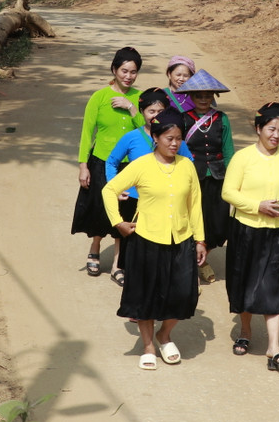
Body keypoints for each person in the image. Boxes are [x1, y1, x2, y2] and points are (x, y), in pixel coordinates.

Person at [102, 110, 207, 370]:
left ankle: (165, 335)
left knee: (185, 294)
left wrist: (200, 240)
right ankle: (149, 345)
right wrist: (119, 222)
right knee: (146, 295)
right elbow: (109, 189)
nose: (174, 144)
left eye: (179, 138)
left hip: (181, 239)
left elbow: (195, 205)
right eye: (169, 138)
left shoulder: (187, 166)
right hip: (146, 240)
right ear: (156, 137)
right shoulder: (141, 164)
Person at [221, 102, 279, 372]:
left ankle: (274, 348)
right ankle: (245, 331)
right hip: (246, 229)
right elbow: (228, 192)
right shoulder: (243, 158)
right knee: (245, 282)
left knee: (274, 284)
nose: (276, 135)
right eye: (271, 128)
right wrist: (257, 206)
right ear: (258, 128)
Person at [103, 89, 194, 285]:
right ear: (142, 112)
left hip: (162, 199)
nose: (156, 116)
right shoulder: (132, 137)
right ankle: (117, 267)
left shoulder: (174, 139)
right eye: (151, 111)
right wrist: (116, 186)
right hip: (134, 198)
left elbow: (189, 162)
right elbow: (111, 161)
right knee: (127, 237)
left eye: (160, 112)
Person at [72, 47, 143, 277]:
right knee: (100, 208)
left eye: (133, 72)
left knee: (124, 211)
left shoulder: (139, 98)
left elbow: (148, 128)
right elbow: (86, 133)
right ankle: (94, 248)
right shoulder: (99, 97)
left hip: (130, 166)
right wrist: (83, 166)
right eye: (124, 70)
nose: (128, 76)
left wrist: (131, 107)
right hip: (102, 162)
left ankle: (117, 264)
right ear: (114, 69)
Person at [179, 69, 234, 283]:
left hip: (218, 176)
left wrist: (233, 178)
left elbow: (229, 150)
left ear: (214, 96)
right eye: (198, 96)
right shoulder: (183, 119)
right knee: (194, 217)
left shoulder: (222, 119)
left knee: (217, 222)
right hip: (193, 176)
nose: (203, 99)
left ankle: (202, 258)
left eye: (208, 95)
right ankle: (192, 262)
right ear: (191, 97)